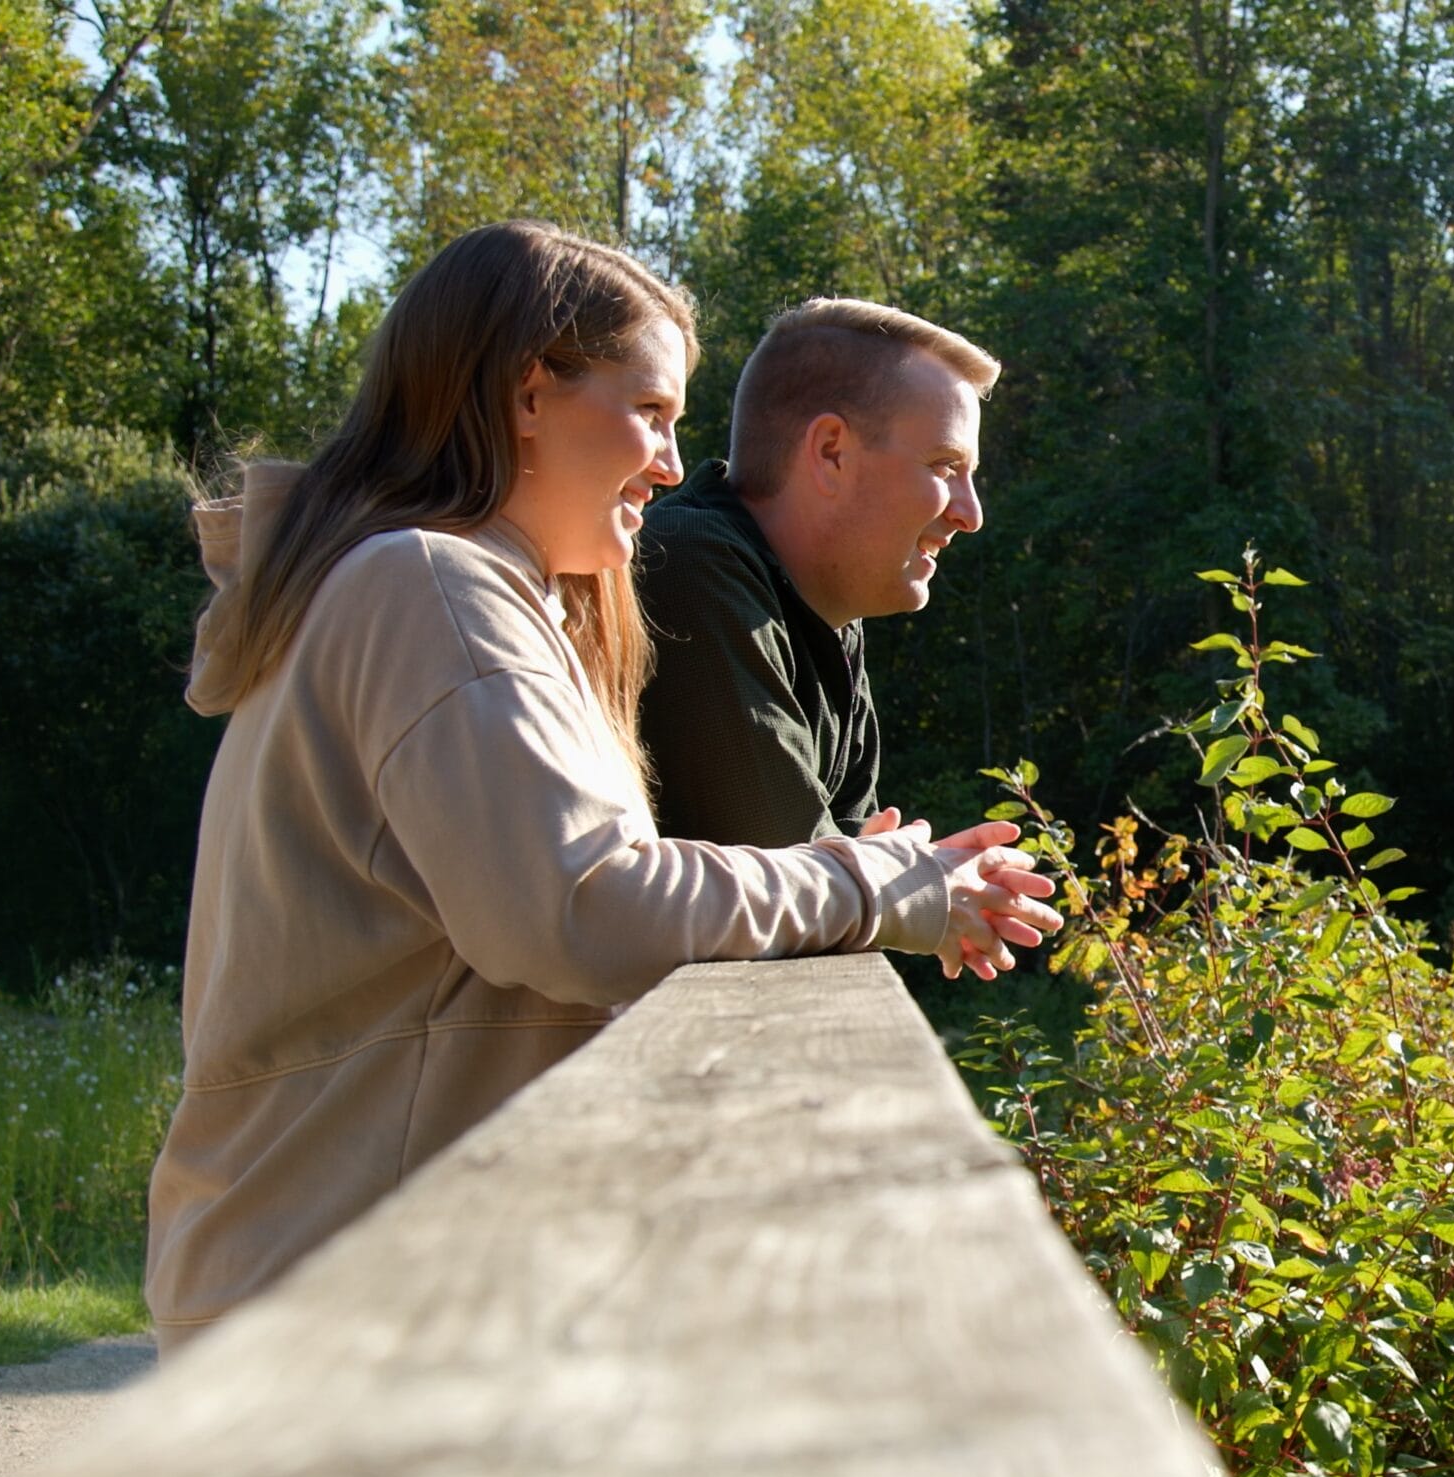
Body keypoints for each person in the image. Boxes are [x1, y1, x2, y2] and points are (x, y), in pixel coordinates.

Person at [146, 222, 1061, 1356]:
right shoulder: (429, 586)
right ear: (532, 393)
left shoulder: (442, 589)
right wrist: (874, 883)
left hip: (351, 1264)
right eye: (654, 414)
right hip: (344, 1282)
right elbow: (584, 906)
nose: (677, 468)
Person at [632, 298, 991, 856]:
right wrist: (918, 885)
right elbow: (798, 879)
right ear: (830, 452)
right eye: (945, 467)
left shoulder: (829, 618)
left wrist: (888, 878)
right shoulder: (684, 563)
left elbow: (839, 886)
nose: (971, 514)